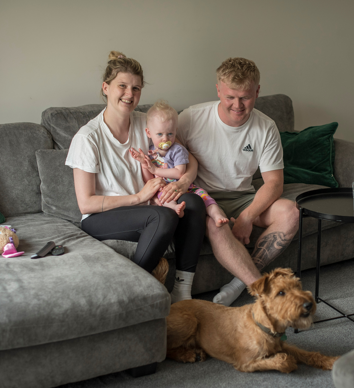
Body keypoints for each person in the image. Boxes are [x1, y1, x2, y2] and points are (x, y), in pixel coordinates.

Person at [65, 51, 206, 303]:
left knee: (194, 203)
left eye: (136, 88)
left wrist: (183, 183)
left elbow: (188, 159)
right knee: (161, 215)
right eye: (122, 86)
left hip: (147, 208)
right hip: (102, 218)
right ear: (105, 88)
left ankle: (183, 293)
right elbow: (86, 203)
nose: (130, 94)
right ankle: (133, 297)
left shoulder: (148, 124)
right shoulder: (88, 138)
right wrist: (140, 197)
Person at [176, 57, 300, 306]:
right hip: (202, 196)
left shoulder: (266, 127)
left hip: (243, 197)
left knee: (291, 212)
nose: (237, 105)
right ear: (218, 89)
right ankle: (265, 296)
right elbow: (170, 159)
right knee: (215, 223)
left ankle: (237, 284)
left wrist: (247, 217)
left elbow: (274, 182)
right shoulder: (191, 118)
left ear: (257, 91)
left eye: (245, 97)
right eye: (230, 96)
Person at [130, 100, 229, 227]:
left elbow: (180, 172)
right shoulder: (150, 153)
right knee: (163, 198)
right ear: (149, 133)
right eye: (160, 134)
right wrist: (144, 164)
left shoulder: (177, 150)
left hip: (186, 187)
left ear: (175, 132)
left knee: (205, 197)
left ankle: (217, 215)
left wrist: (155, 170)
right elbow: (149, 181)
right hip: (164, 190)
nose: (165, 139)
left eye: (170, 134)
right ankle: (176, 208)